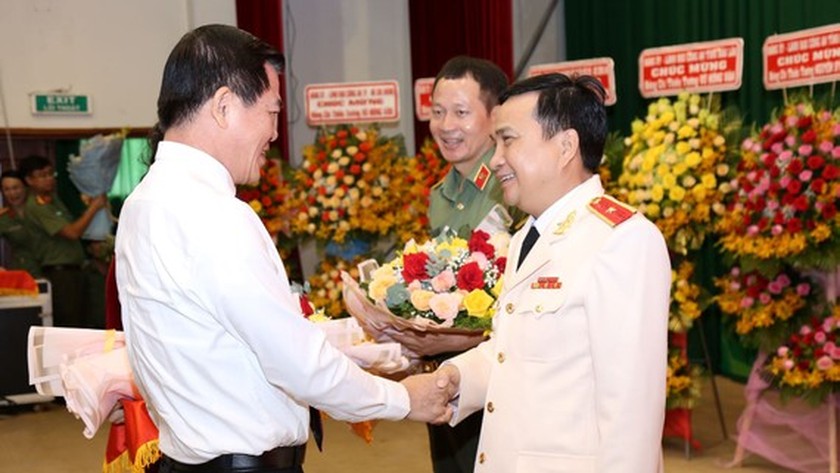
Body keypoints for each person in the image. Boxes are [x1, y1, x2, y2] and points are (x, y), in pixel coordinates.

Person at [115, 24, 453, 473]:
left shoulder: (143, 203)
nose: (275, 133)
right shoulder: (214, 214)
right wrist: (402, 398)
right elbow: (295, 362)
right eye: (272, 112)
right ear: (223, 106)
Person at [435, 73, 672, 472]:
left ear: (565, 146)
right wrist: (457, 377)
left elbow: (631, 413)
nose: (494, 159)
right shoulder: (528, 235)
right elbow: (516, 353)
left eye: (508, 140)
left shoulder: (622, 240)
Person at [18, 155, 107, 327]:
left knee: (86, 321)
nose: (48, 179)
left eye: (50, 174)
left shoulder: (53, 200)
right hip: (60, 273)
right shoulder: (37, 206)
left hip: (74, 270)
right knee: (70, 324)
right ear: (29, 180)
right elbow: (72, 233)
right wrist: (94, 207)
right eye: (42, 175)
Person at [0, 170, 42, 277]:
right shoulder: (3, 218)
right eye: (7, 189)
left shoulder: (40, 209)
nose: (12, 193)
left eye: (16, 188)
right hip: (23, 274)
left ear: (25, 187)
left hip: (50, 269)